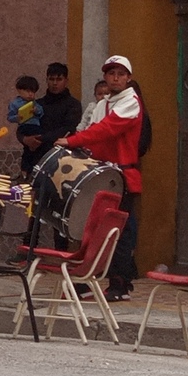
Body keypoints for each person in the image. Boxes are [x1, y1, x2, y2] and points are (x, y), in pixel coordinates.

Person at [57, 55, 147, 301]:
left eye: (120, 74)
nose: (115, 78)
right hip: (100, 174)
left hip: (121, 175)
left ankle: (120, 284)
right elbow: (92, 132)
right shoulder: (102, 104)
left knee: (118, 232)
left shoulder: (131, 102)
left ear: (128, 78)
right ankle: (87, 280)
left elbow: (106, 129)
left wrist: (73, 141)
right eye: (111, 73)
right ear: (105, 77)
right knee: (94, 229)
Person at [8, 75, 42, 173]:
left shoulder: (34, 103)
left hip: (36, 126)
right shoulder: (15, 103)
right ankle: (25, 169)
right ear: (19, 90)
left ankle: (31, 169)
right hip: (25, 127)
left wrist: (36, 110)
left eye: (33, 92)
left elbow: (41, 112)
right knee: (27, 149)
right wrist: (17, 117)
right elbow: (10, 117)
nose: (30, 94)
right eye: (27, 91)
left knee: (34, 149)